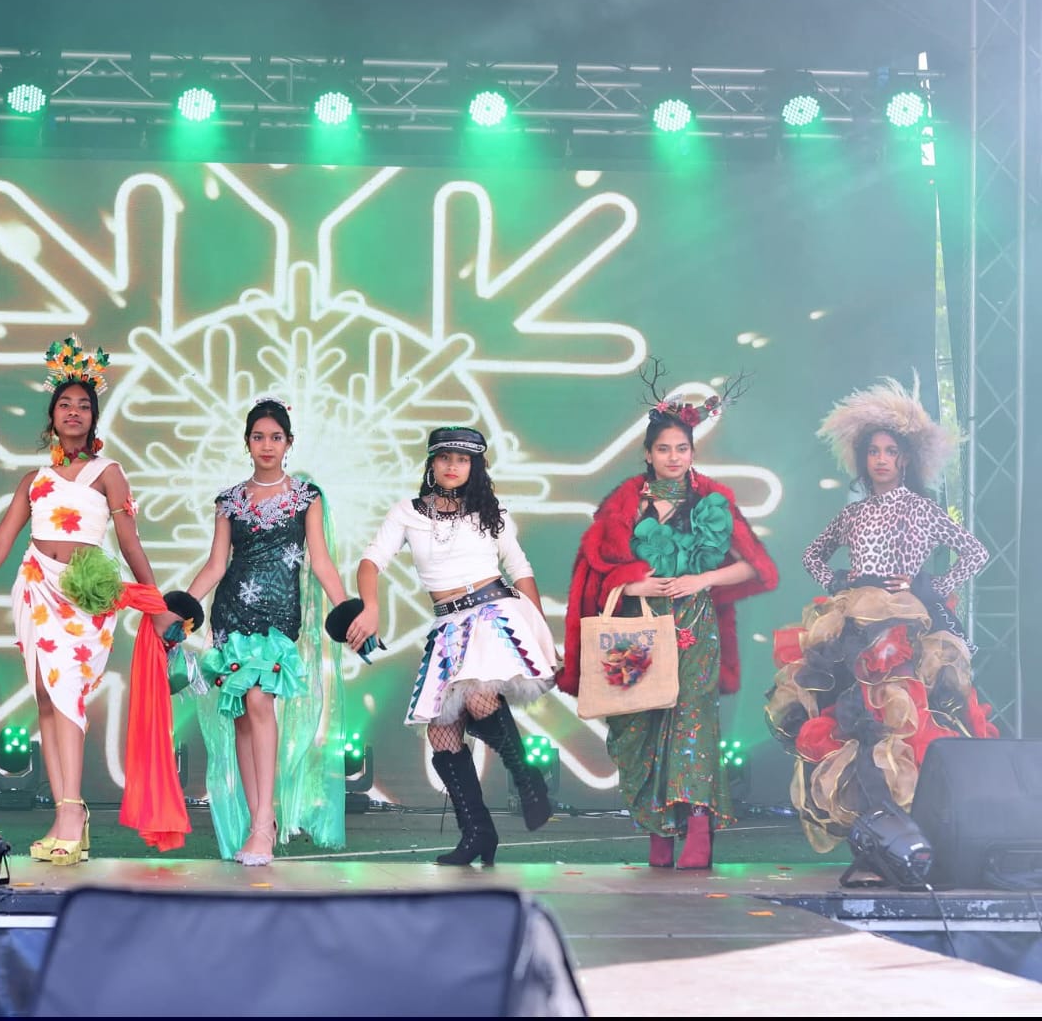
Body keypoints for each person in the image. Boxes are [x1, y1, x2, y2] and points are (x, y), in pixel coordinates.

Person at [0, 337, 180, 866]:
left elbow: (130, 543)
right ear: (52, 416)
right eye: (65, 404)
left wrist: (155, 605)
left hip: (83, 595)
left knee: (68, 695)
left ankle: (71, 812)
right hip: (36, 590)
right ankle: (69, 814)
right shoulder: (35, 481)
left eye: (83, 405)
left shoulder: (108, 473)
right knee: (47, 699)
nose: (74, 412)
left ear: (93, 418)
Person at [767, 376, 995, 855]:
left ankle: (910, 835)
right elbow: (812, 555)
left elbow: (975, 553)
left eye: (891, 451)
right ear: (862, 459)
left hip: (906, 629)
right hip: (853, 628)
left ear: (905, 459)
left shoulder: (921, 509)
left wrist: (929, 587)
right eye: (873, 451)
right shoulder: (853, 515)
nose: (882, 459)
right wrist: (838, 582)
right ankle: (871, 837)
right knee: (855, 725)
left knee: (905, 723)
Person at [561, 368, 778, 869]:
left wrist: (701, 580)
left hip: (693, 627)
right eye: (664, 449)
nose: (673, 457)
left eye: (682, 449)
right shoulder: (623, 503)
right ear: (647, 453)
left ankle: (698, 827)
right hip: (636, 627)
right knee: (639, 724)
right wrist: (631, 584)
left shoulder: (711, 500)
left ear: (693, 452)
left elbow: (754, 566)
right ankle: (658, 829)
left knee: (691, 724)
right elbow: (594, 570)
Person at [347, 427, 562, 867]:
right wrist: (370, 607)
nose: (452, 466)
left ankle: (527, 779)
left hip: (493, 612)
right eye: (444, 457)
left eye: (462, 460)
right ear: (431, 462)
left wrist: (539, 630)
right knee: (442, 736)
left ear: (474, 466)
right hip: (448, 626)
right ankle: (478, 833)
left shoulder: (492, 512)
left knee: (480, 697)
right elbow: (371, 562)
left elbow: (519, 568)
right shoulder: (408, 512)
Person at [183, 398, 349, 865]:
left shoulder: (306, 497)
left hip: (279, 618)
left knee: (258, 701)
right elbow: (217, 565)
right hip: (231, 614)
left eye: (276, 437)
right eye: (259, 437)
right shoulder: (229, 501)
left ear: (289, 443)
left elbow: (320, 562)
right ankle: (261, 821)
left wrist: (347, 610)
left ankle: (261, 823)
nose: (267, 445)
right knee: (241, 712)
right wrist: (182, 607)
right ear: (247, 442)